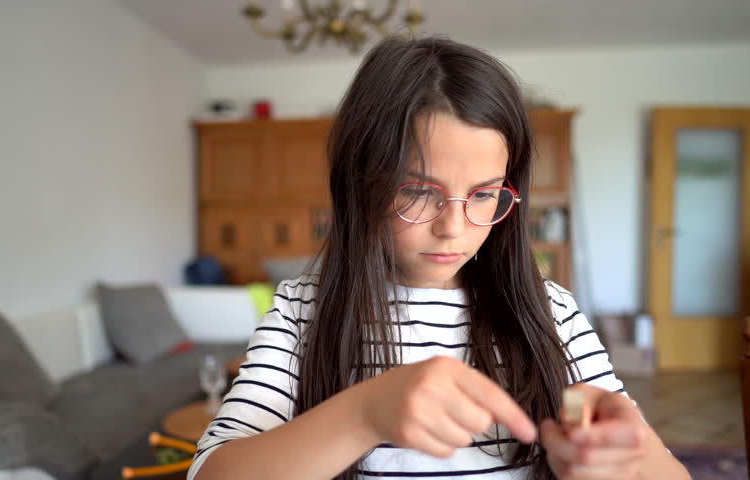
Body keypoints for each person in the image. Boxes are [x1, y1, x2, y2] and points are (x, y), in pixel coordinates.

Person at [188, 36, 690, 480]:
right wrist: (364, 415)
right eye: (418, 191)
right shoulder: (302, 311)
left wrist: (624, 458)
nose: (453, 227)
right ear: (361, 184)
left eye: (483, 194)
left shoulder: (551, 311)